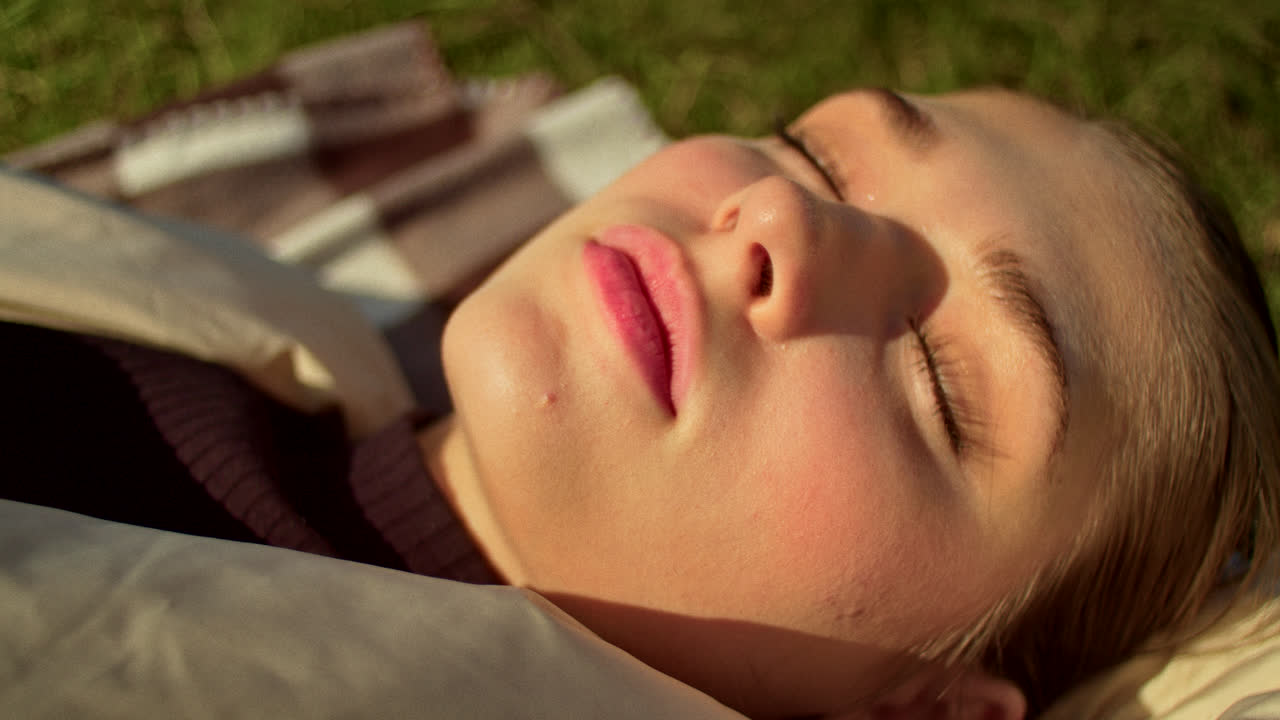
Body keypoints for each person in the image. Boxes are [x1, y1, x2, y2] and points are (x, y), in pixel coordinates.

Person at [4, 86, 1278, 720]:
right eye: (818, 152)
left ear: (924, 710)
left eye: (938, 379)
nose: (778, 215)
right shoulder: (242, 353)